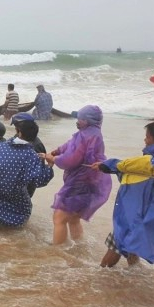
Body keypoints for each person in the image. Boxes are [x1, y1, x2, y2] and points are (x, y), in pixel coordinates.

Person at [94, 120, 154, 267]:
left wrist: (105, 165)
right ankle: (134, 275)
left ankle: (100, 276)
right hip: (150, 217)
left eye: (148, 137)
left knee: (117, 243)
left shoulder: (151, 162)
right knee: (133, 243)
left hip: (135, 215)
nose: (145, 140)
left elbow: (124, 165)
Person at [42, 105, 112, 245]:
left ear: (87, 120)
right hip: (92, 180)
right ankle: (79, 247)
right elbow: (71, 144)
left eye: (80, 119)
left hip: (81, 181)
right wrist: (58, 150)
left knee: (59, 218)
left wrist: (53, 159)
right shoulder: (93, 132)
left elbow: (71, 159)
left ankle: (58, 252)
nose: (78, 121)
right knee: (73, 218)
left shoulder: (86, 135)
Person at [11, 112, 47, 197]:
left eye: (16, 127)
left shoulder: (36, 145)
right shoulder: (17, 137)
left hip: (26, 185)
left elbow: (38, 172)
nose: (15, 129)